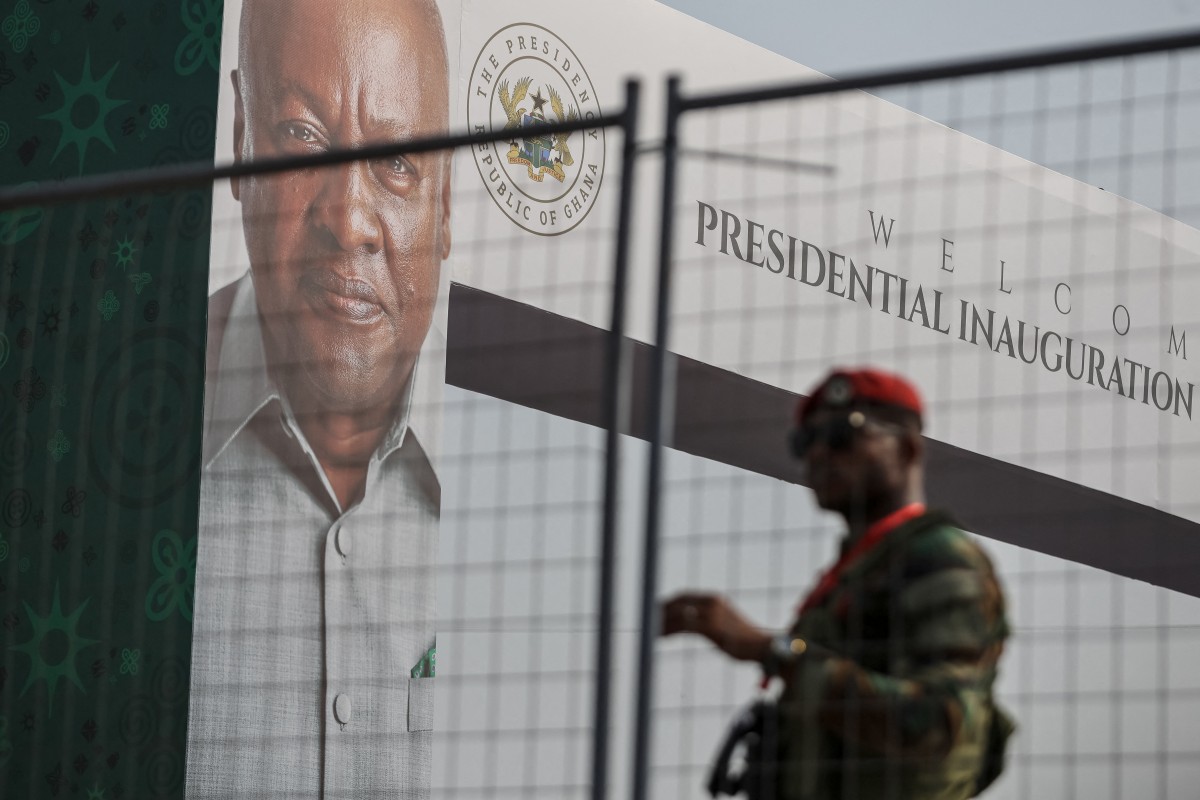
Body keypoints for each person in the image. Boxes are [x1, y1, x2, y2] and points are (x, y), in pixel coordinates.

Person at [186, 0, 451, 796]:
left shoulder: (508, 512)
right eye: (303, 137)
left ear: (448, 204)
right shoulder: (111, 431)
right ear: (240, 137)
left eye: (401, 160)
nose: (351, 221)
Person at [662, 368, 1013, 800]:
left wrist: (773, 653)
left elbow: (938, 724)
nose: (820, 454)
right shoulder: (863, 568)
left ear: (906, 448)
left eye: (843, 435)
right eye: (805, 442)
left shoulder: (940, 560)